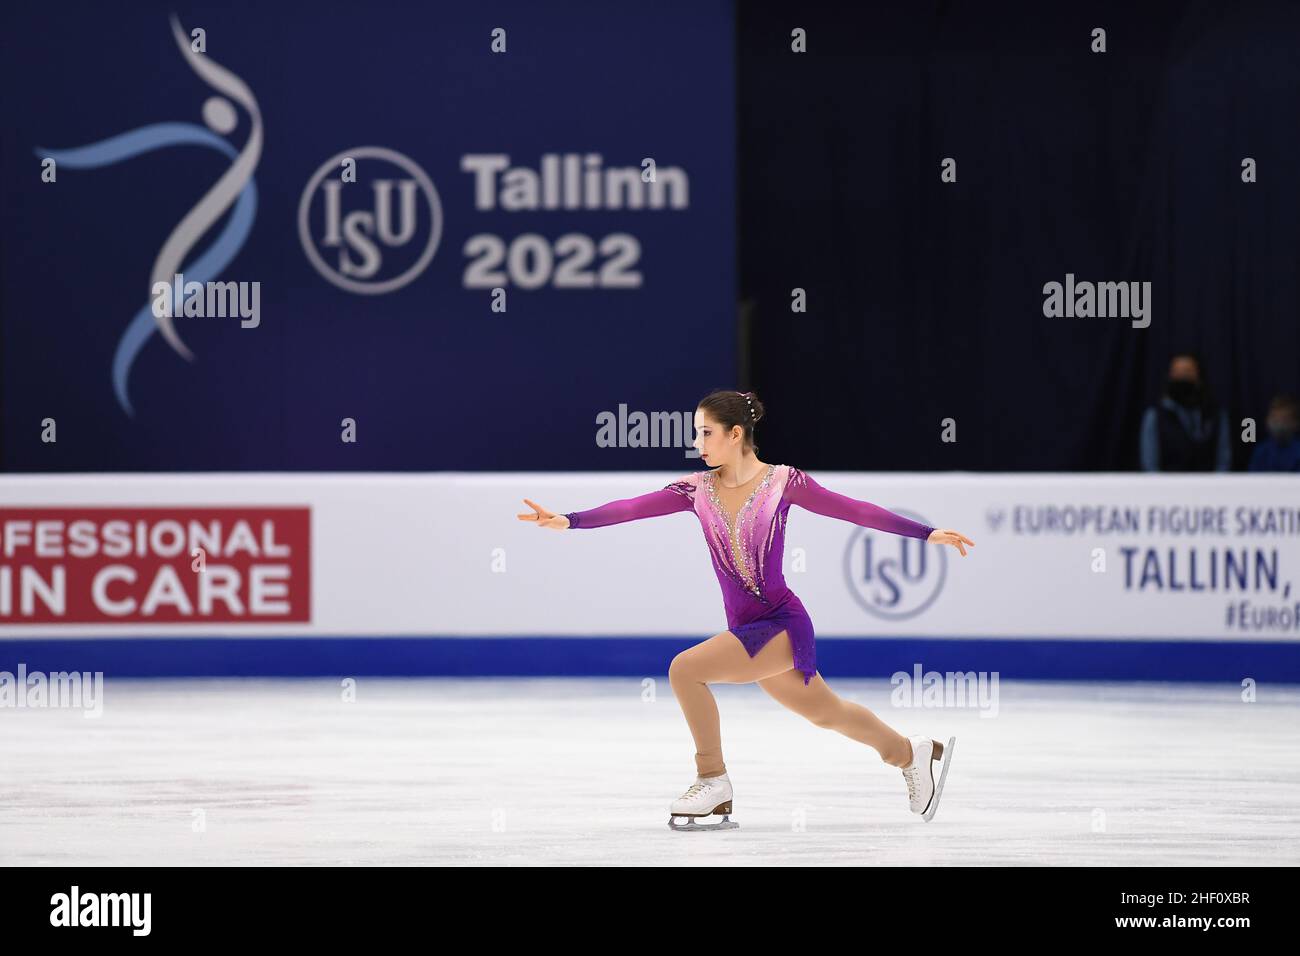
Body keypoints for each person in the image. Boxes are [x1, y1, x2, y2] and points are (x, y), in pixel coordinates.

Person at [517, 389, 975, 829]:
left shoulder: (783, 483)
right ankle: (909, 753)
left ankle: (711, 779)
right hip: (746, 626)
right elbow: (633, 507)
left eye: (706, 433)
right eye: (696, 434)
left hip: (780, 623)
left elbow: (853, 510)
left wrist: (925, 533)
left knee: (684, 670)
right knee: (827, 712)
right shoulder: (694, 490)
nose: (697, 444)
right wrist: (570, 521)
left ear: (735, 434)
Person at [1140, 352, 1231, 471]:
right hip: (1168, 486)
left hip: (1208, 486)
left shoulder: (1216, 415)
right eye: (1177, 372)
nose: (1182, 376)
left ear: (1199, 376)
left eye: (1187, 371)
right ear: (1169, 376)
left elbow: (1223, 461)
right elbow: (1150, 465)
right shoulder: (1154, 416)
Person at [1248, 394, 1300, 472]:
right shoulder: (1262, 451)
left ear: (1295, 422)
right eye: (1275, 419)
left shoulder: (1297, 451)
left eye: (1284, 419)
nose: (1279, 424)